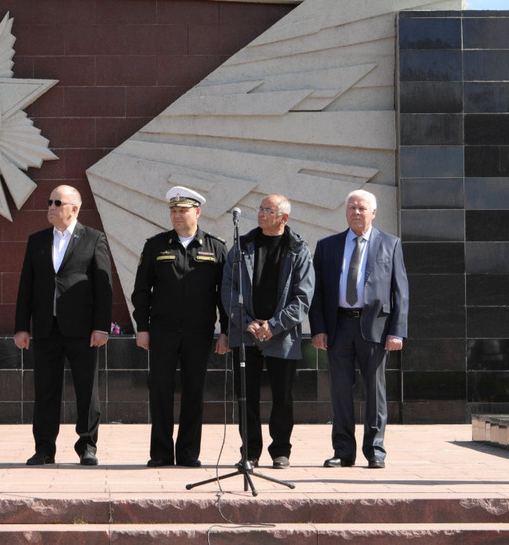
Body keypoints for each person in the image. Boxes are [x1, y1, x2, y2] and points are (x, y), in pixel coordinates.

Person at [309, 189, 408, 469]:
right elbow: (317, 293)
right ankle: (343, 451)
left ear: (373, 212)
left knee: (375, 392)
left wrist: (397, 331)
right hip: (338, 326)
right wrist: (318, 328)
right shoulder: (328, 246)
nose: (356, 212)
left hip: (375, 328)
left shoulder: (390, 244)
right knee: (340, 391)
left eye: (362, 208)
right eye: (351, 207)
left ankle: (375, 450)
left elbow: (401, 291)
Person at [14, 185, 112, 466]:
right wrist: (22, 326)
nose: (52, 207)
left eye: (58, 202)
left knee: (86, 388)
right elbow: (26, 286)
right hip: (46, 328)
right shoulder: (37, 241)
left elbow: (103, 287)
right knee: (45, 390)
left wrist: (101, 326)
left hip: (83, 329)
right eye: (50, 202)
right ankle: (44, 448)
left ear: (75, 209)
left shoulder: (93, 239)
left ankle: (87, 445)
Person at [215, 194, 314, 469]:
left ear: (284, 218)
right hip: (245, 333)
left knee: (282, 396)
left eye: (268, 210)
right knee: (246, 396)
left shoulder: (298, 250)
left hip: (281, 336)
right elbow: (228, 289)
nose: (261, 214)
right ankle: (250, 451)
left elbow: (303, 298)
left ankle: (281, 451)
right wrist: (244, 320)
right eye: (260, 209)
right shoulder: (242, 246)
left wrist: (274, 325)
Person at [131, 185, 226, 468]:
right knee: (160, 389)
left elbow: (225, 294)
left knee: (193, 391)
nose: (176, 216)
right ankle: (160, 453)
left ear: (197, 212)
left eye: (182, 211)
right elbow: (141, 291)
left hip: (199, 332)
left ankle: (187, 453)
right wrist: (142, 326)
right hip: (162, 331)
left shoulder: (216, 247)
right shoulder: (156, 245)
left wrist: (227, 331)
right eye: (173, 211)